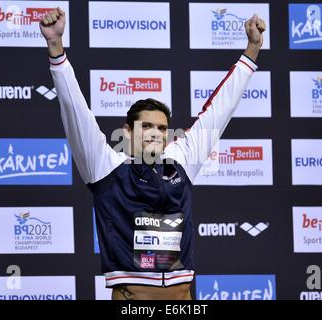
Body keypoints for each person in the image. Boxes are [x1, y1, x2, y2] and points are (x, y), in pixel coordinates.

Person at [40, 7, 265, 300]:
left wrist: (252, 49)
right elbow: (75, 110)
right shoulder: (104, 165)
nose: (155, 132)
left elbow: (221, 109)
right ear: (128, 131)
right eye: (146, 126)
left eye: (161, 127)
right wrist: (56, 47)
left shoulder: (182, 159)